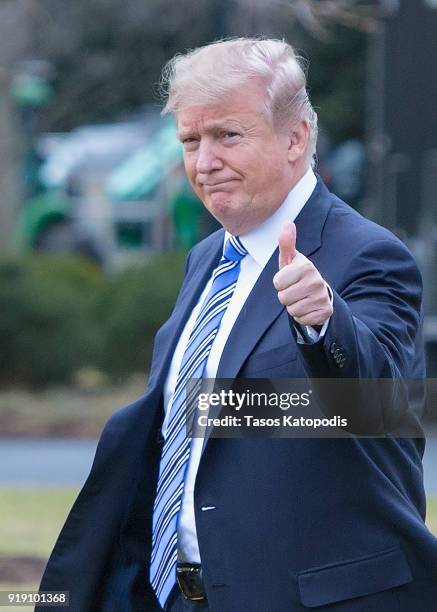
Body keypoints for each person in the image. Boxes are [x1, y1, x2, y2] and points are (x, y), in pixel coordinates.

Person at [38, 38, 437, 611]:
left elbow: (383, 407)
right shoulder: (206, 261)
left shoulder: (368, 254)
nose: (204, 163)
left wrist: (325, 322)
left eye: (228, 135)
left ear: (296, 138)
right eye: (190, 141)